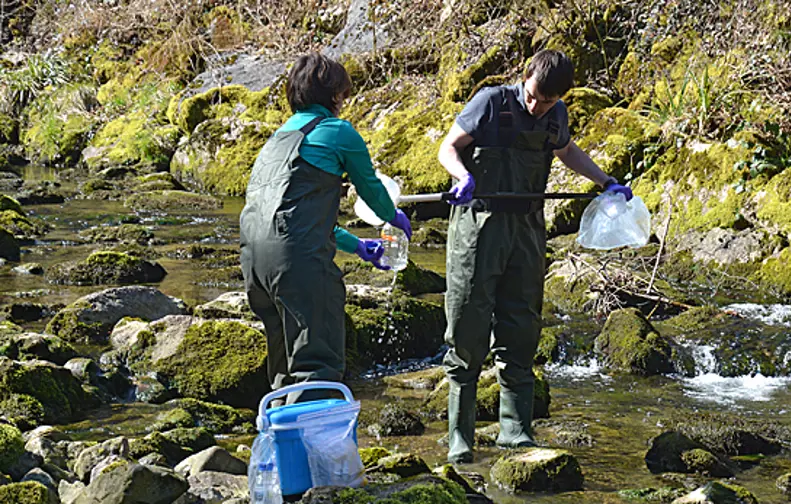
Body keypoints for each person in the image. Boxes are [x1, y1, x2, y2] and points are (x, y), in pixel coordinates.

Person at [437, 49, 633, 463]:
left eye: (546, 102)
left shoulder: (555, 115)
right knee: (468, 321)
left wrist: (606, 181)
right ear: (525, 78)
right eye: (533, 97)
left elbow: (568, 151)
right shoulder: (490, 103)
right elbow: (448, 147)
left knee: (522, 323)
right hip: (478, 227)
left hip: (526, 230)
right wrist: (463, 175)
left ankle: (516, 431)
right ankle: (460, 437)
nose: (536, 106)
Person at [240, 52, 412, 405]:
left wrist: (357, 246)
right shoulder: (337, 132)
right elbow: (371, 188)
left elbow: (289, 217)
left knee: (284, 368)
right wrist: (393, 217)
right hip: (297, 264)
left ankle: (278, 450)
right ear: (335, 95)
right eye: (343, 94)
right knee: (316, 366)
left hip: (254, 262)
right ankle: (313, 457)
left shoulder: (274, 142)